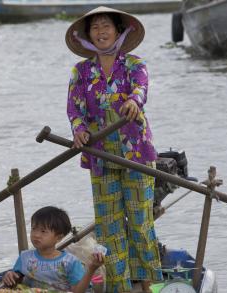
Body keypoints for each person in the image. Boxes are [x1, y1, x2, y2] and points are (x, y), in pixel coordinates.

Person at [65, 6, 162, 293]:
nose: (101, 32)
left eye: (106, 26)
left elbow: (140, 91)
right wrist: (80, 130)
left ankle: (148, 288)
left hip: (136, 155)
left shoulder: (134, 64)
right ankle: (119, 289)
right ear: (88, 37)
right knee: (110, 230)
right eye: (95, 28)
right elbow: (74, 109)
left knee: (141, 224)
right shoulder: (81, 71)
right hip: (101, 158)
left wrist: (133, 101)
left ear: (119, 32)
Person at [0, 206, 104, 293]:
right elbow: (16, 279)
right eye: (34, 229)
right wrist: (10, 276)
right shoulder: (25, 257)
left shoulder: (70, 262)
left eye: (43, 231)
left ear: (59, 237)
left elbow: (77, 291)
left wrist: (91, 269)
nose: (36, 235)